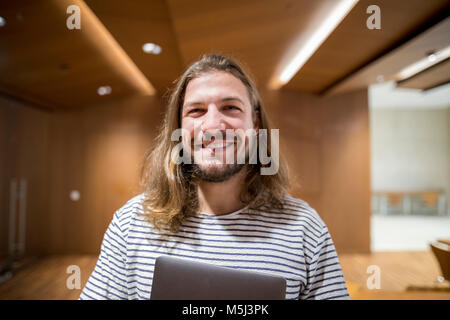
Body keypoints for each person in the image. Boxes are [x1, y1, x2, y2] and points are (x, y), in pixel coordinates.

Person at [79, 54, 350, 300]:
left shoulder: (304, 228)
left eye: (230, 107)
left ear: (255, 125)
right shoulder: (131, 224)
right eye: (196, 111)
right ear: (179, 128)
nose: (213, 125)